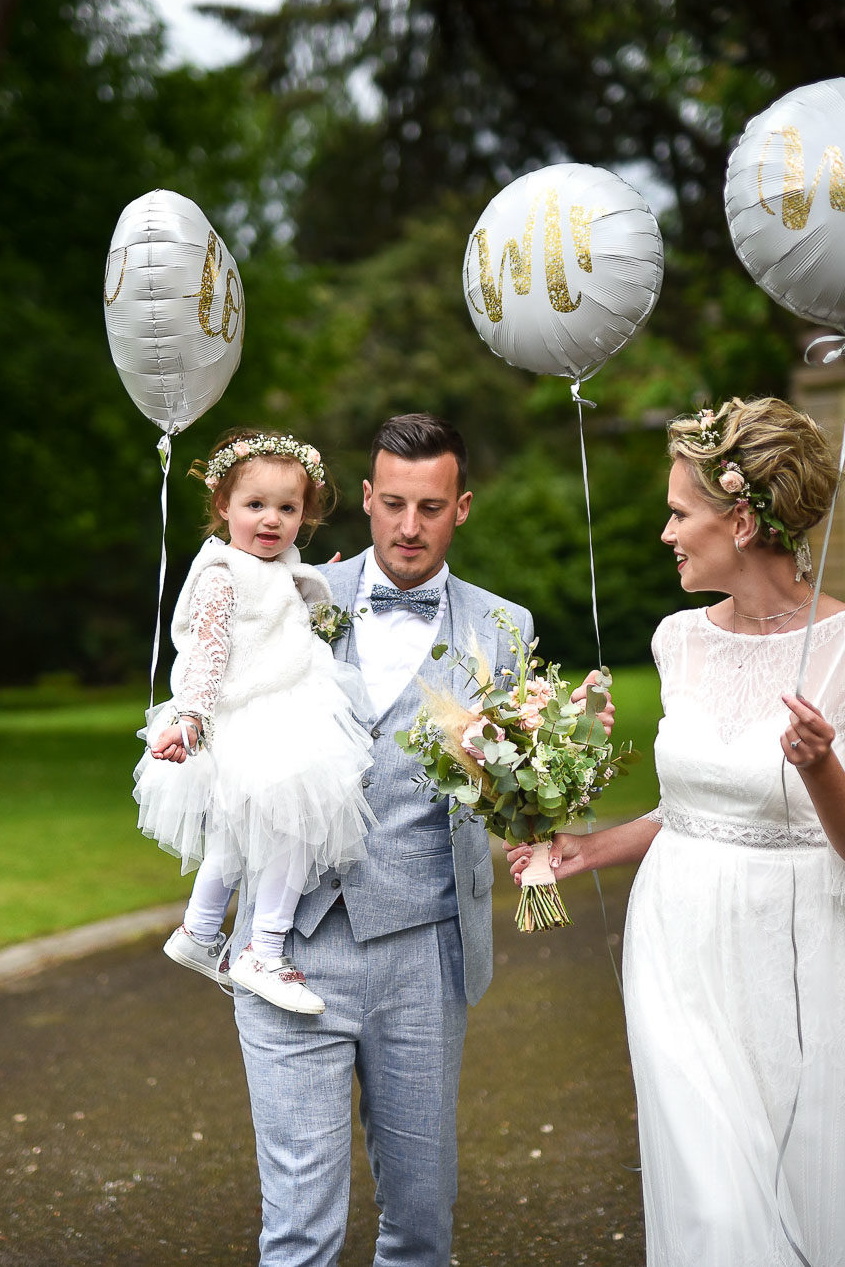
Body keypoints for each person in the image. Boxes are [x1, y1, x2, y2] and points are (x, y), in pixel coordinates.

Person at [510, 396, 845, 1266]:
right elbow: (697, 809)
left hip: (807, 953)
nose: (666, 533)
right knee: (715, 1206)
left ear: (740, 519)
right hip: (678, 947)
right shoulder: (677, 641)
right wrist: (590, 845)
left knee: (809, 1192)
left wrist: (821, 769)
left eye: (679, 512)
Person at [232, 413, 611, 1267]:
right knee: (298, 1227)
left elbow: (523, 802)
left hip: (424, 953)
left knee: (420, 1222)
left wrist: (569, 752)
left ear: (462, 508)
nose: (409, 527)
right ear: (365, 499)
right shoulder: (291, 598)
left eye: (430, 508)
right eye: (393, 504)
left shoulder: (504, 631)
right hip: (290, 944)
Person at [135, 428, 376, 1014]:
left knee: (242, 836)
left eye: (287, 508)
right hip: (254, 719)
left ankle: (197, 931)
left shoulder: (276, 566)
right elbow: (207, 656)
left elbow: (283, 612)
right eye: (255, 505)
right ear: (223, 506)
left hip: (281, 713)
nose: (271, 520)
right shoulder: (221, 575)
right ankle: (263, 949)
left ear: (304, 515)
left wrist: (314, 582)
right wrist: (190, 718)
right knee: (295, 827)